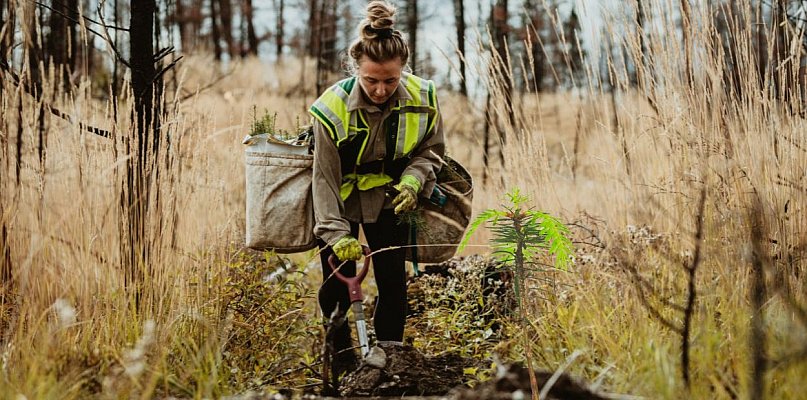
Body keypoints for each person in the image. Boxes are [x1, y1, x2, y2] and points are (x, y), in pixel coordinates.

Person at [308, 0, 445, 380]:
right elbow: (324, 179)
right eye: (371, 80)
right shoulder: (331, 109)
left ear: (403, 69)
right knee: (336, 290)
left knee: (393, 286)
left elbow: (431, 150)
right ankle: (340, 368)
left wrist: (415, 180)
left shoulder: (423, 97)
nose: (381, 89)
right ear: (355, 70)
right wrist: (336, 235)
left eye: (390, 79)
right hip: (340, 203)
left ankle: (389, 367)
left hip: (391, 199)